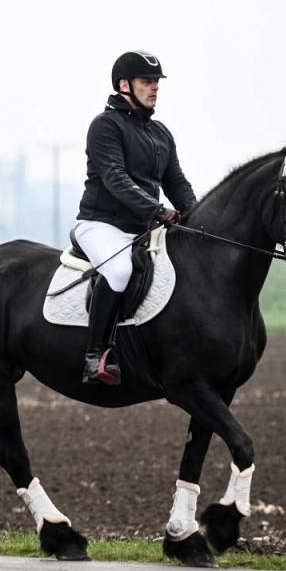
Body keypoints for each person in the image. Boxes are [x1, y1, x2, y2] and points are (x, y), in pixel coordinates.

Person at [73, 50, 197, 386]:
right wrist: (157, 211)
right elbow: (115, 179)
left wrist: (197, 217)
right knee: (119, 269)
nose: (155, 88)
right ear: (124, 84)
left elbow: (177, 185)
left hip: (141, 230)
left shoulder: (160, 134)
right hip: (100, 225)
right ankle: (94, 356)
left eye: (156, 82)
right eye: (147, 81)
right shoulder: (104, 126)